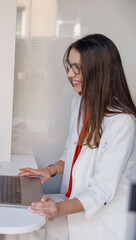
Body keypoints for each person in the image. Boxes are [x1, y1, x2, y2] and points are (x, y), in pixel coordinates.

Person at [19, 34, 136, 239]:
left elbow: (102, 191)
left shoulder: (122, 122)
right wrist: (49, 170)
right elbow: (71, 152)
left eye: (76, 68)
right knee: (23, 214)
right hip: (74, 201)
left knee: (30, 228)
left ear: (99, 70)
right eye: (69, 66)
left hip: (101, 219)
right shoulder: (81, 102)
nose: (69, 74)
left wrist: (59, 209)